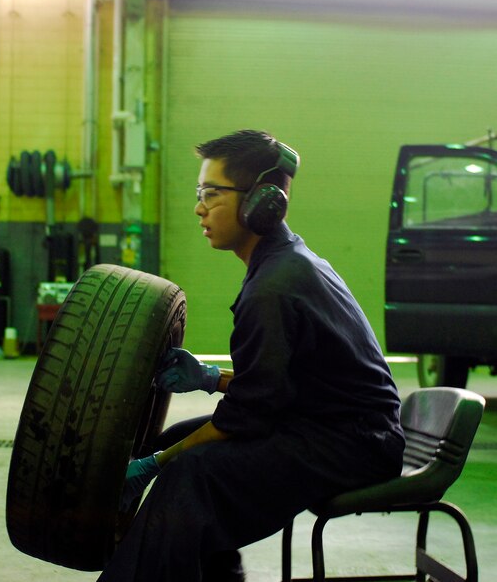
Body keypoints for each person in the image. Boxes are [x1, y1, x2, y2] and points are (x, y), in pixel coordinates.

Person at [97, 129, 405, 582]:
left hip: (354, 446)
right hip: (330, 427)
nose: (199, 207)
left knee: (191, 474)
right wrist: (211, 377)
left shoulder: (274, 287)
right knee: (181, 438)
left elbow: (249, 417)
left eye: (211, 193)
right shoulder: (285, 263)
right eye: (199, 192)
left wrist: (155, 466)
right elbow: (280, 383)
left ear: (262, 202)